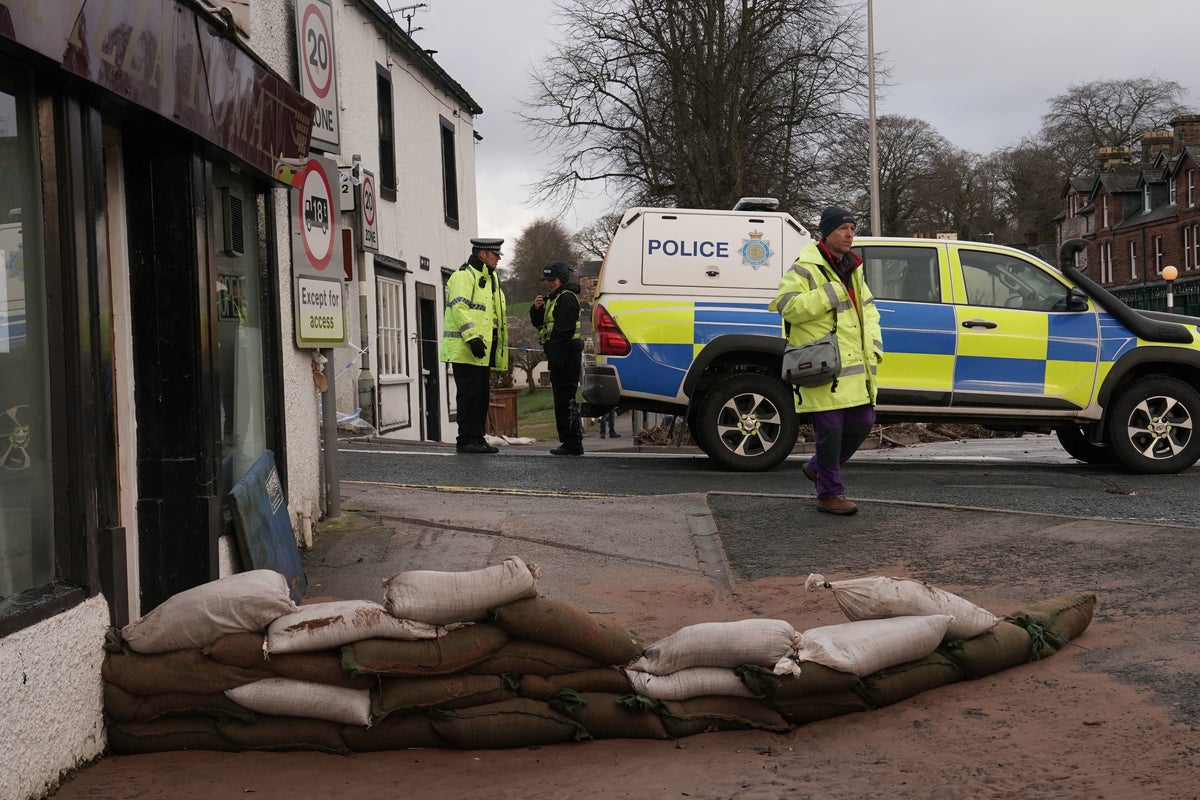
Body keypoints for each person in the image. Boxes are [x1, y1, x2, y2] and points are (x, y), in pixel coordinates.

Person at [770, 207, 883, 515]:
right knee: (830, 430)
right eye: (844, 228)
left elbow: (868, 309)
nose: (850, 234)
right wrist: (830, 293)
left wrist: (874, 344)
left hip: (852, 364)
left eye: (853, 228)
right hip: (820, 363)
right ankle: (829, 494)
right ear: (827, 232)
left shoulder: (853, 267)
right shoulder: (806, 266)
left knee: (864, 421)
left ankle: (818, 467)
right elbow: (786, 306)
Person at [440, 238, 509, 454]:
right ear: (482, 255)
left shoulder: (490, 280)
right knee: (469, 395)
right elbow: (459, 308)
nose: (498, 259)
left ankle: (477, 437)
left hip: (483, 350)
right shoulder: (463, 276)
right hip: (466, 349)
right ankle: (467, 439)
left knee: (480, 395)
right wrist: (472, 338)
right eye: (495, 255)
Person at [530, 261, 585, 455]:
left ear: (561, 279)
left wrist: (555, 359)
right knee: (562, 401)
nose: (549, 283)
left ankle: (572, 442)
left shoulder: (567, 298)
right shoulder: (554, 298)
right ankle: (568, 442)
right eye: (547, 280)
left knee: (566, 401)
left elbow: (563, 332)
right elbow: (540, 324)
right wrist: (536, 309)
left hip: (566, 356)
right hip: (561, 355)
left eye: (552, 279)